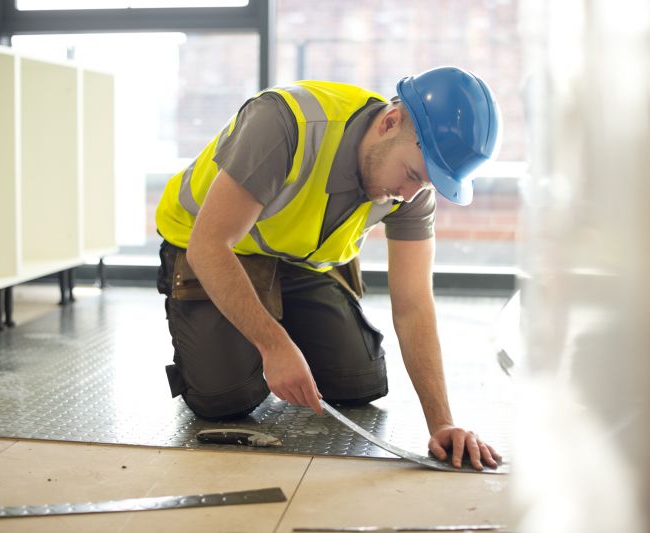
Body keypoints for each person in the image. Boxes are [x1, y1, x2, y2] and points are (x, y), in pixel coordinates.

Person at [155, 66, 503, 470]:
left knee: (359, 382)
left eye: (426, 185)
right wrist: (273, 345)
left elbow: (413, 302)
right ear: (390, 123)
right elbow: (209, 246)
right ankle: (247, 334)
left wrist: (442, 423)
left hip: (299, 260)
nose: (409, 197)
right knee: (225, 397)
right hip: (211, 243)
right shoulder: (284, 123)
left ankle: (276, 313)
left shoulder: (413, 190)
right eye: (411, 176)